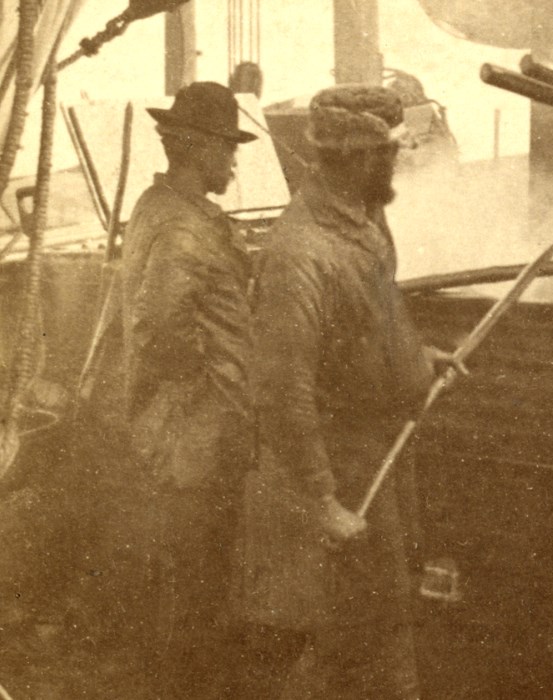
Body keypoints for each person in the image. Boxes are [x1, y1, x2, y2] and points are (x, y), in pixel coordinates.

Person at [238, 84, 459, 699]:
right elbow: (282, 390)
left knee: (384, 605)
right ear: (361, 158)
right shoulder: (300, 253)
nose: (398, 162)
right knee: (367, 622)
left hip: (385, 445)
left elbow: (379, 316)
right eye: (390, 153)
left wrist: (420, 359)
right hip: (344, 463)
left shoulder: (364, 221)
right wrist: (323, 499)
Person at [120, 81, 257, 699]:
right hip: (194, 433)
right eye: (227, 148)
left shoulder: (165, 206)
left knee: (192, 581)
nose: (232, 161)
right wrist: (220, 387)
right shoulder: (182, 229)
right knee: (195, 585)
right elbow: (165, 332)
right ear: (197, 147)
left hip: (191, 428)